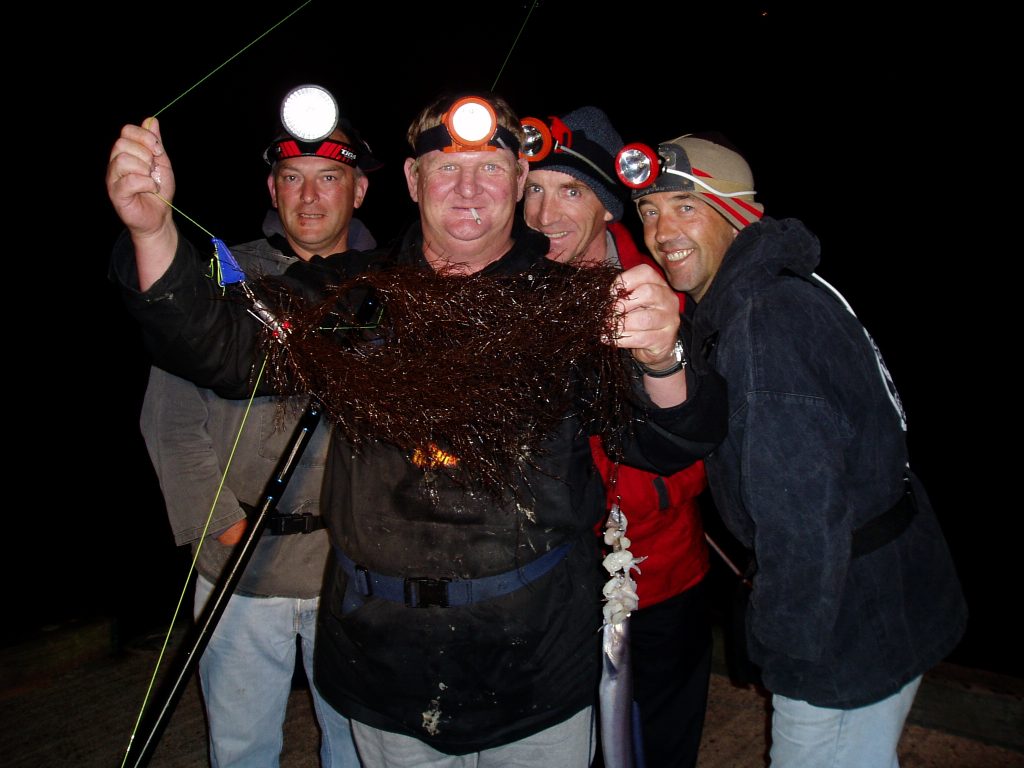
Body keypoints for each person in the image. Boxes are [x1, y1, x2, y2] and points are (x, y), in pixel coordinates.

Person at [106, 90, 726, 767]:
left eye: (490, 166)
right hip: (384, 669)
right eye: (445, 166)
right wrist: (152, 231)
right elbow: (227, 350)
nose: (467, 187)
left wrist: (664, 355)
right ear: (411, 180)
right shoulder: (358, 302)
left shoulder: (571, 305)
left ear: (519, 182)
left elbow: (670, 442)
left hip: (536, 669)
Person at [630, 133, 968, 767]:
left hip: (845, 618)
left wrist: (785, 649)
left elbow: (801, 519)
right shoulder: (771, 290)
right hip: (889, 581)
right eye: (648, 210)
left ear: (737, 213)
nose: (660, 229)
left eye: (685, 206)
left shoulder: (763, 323)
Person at [138, 85, 378, 768]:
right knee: (241, 748)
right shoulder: (218, 275)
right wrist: (218, 526)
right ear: (272, 189)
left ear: (357, 191)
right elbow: (169, 414)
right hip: (237, 566)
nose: (310, 197)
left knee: (355, 745)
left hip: (350, 570)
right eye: (292, 179)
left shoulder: (392, 285)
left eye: (329, 177)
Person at [522, 105, 711, 768]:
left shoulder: (663, 294)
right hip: (555, 584)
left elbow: (698, 444)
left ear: (607, 206)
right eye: (533, 190)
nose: (546, 215)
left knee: (660, 744)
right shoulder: (512, 295)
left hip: (664, 574)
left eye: (571, 191)